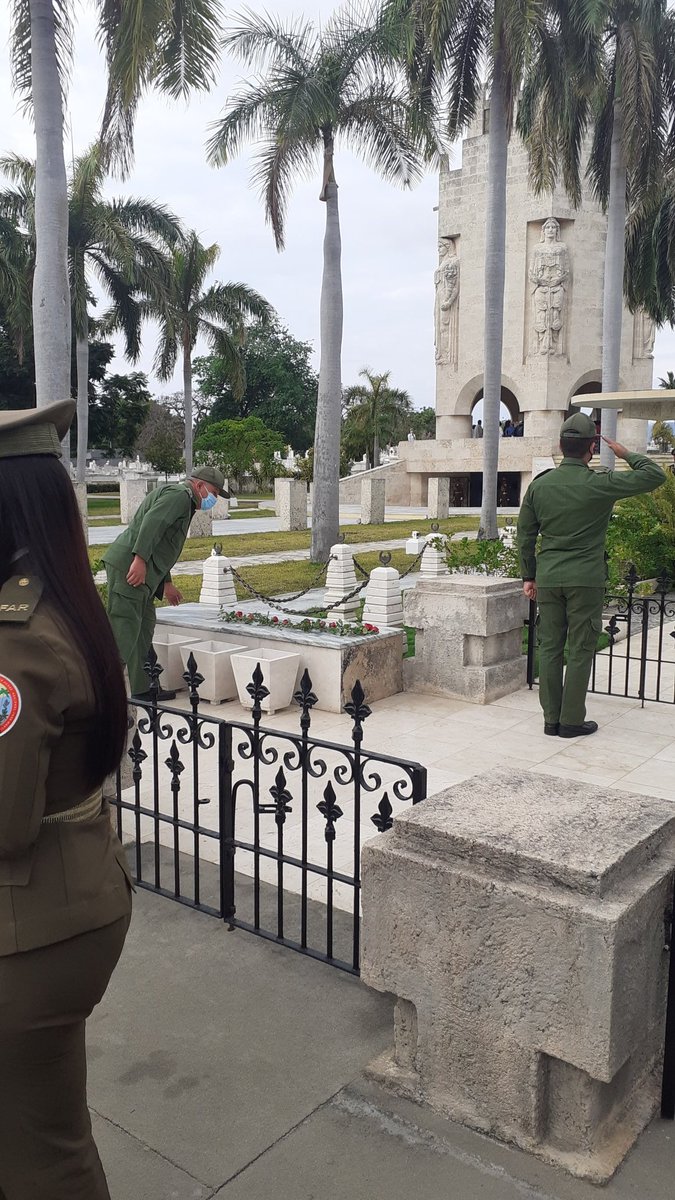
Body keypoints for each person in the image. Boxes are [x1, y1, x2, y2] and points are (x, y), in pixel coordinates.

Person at [0, 400, 132, 1199]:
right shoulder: (53, 599)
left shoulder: (15, 640)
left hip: (29, 932)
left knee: (40, 1158)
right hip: (65, 907)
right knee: (41, 1126)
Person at [518, 412, 666, 738]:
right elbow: (655, 475)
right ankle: (571, 721)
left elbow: (525, 535)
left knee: (550, 647)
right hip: (586, 578)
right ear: (591, 449)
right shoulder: (601, 483)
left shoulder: (539, 486)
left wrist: (529, 576)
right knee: (582, 647)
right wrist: (626, 453)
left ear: (560, 444)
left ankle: (551, 720)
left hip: (550, 577)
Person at [103, 466, 229, 700]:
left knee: (143, 628)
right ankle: (102, 693)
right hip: (130, 567)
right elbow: (152, 524)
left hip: (145, 573)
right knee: (124, 630)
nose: (214, 498)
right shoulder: (179, 496)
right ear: (199, 485)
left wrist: (166, 583)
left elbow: (163, 545)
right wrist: (139, 559)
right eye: (214, 492)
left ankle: (142, 688)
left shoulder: (185, 501)